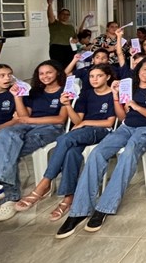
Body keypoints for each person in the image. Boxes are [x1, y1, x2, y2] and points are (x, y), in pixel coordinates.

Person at [56, 58, 146, 238]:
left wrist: (137, 106)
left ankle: (105, 206)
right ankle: (80, 210)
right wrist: (115, 96)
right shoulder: (129, 87)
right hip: (126, 127)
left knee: (129, 153)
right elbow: (123, 117)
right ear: (138, 70)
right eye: (144, 69)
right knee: (97, 153)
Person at [15, 64, 117, 220]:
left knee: (65, 138)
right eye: (91, 76)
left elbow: (109, 123)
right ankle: (68, 198)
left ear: (108, 77)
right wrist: (67, 105)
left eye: (99, 76)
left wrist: (84, 123)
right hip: (83, 131)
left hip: (101, 131)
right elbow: (77, 120)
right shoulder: (86, 94)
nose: (94, 79)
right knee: (71, 153)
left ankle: (45, 182)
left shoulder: (112, 94)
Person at [0, 60, 68, 222]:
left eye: (49, 72)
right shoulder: (35, 92)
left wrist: (28, 120)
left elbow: (60, 119)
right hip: (27, 125)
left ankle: (8, 194)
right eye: (41, 73)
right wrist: (17, 97)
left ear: (57, 73)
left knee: (7, 149)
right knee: (4, 135)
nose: (45, 76)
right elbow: (24, 114)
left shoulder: (66, 91)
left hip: (50, 128)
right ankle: (4, 187)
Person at [46, 0, 77, 68]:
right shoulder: (54, 23)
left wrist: (75, 40)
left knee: (70, 67)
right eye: (63, 14)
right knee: (58, 67)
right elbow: (50, 15)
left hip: (69, 48)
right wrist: (50, 4)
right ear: (59, 15)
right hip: (57, 48)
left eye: (67, 14)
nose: (65, 16)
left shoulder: (71, 27)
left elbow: (76, 38)